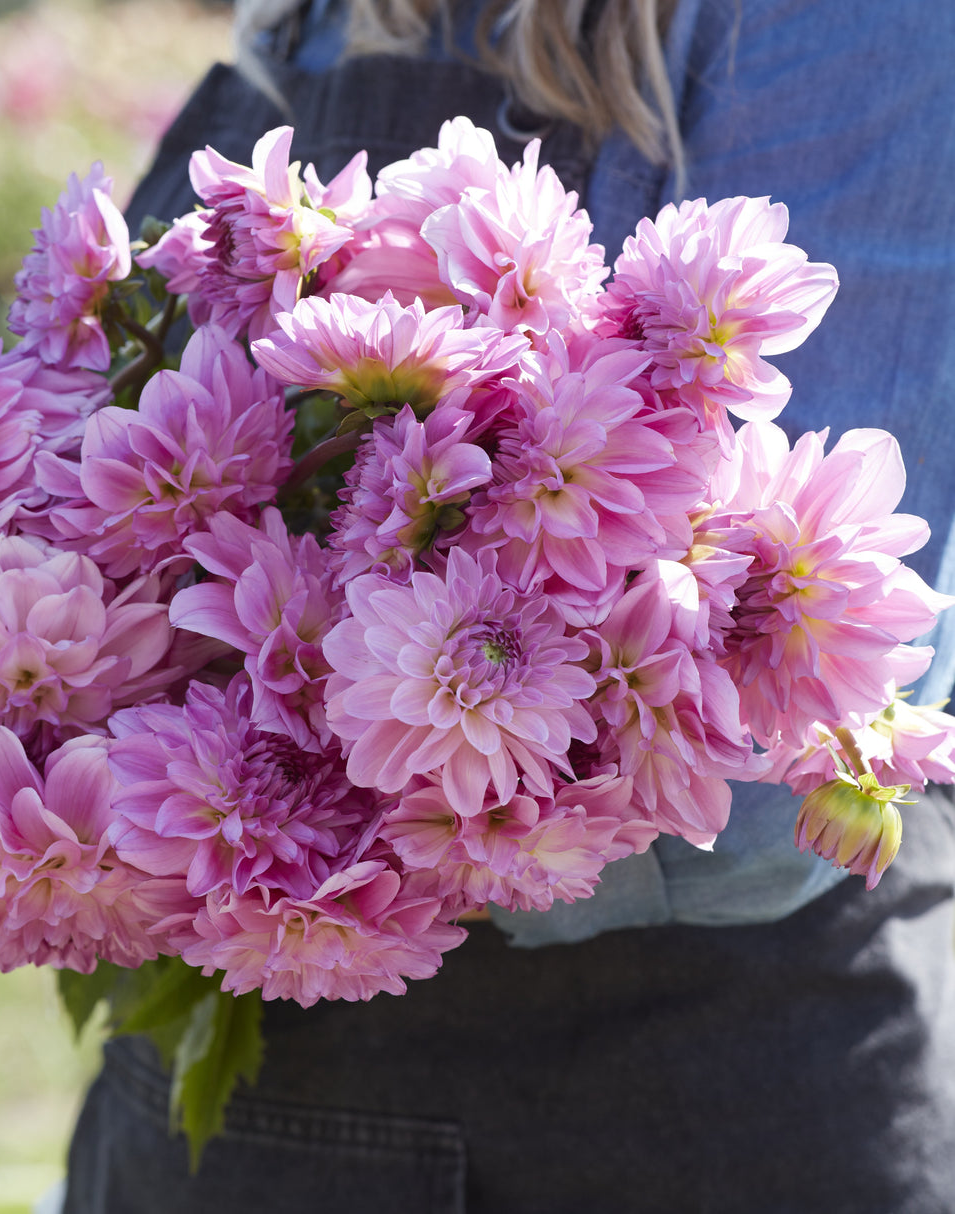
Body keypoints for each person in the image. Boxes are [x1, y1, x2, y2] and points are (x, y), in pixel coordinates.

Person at [61, 2, 955, 1210]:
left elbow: (749, 810)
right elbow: (92, 444)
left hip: (663, 1116)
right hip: (235, 1120)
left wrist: (287, 800)